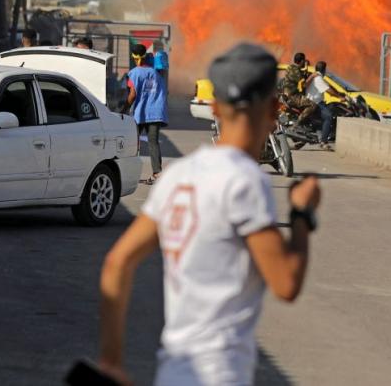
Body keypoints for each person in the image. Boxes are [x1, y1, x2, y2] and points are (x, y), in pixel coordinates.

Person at [98, 43, 321, 386]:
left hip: (172, 372)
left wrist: (111, 361)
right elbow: (286, 283)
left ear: (215, 107)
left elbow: (117, 264)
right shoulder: (246, 182)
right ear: (274, 110)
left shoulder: (178, 176)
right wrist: (303, 214)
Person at [127, 44, 168, 184]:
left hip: (140, 113)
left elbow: (132, 95)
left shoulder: (134, 73)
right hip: (156, 113)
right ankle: (157, 174)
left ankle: (127, 173)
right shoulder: (156, 72)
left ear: (133, 57)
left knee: (131, 142)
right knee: (153, 143)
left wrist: (124, 108)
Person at [305, 61, 343, 150]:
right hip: (315, 103)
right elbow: (328, 90)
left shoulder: (317, 77)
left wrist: (339, 92)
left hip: (315, 102)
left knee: (329, 109)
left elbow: (328, 86)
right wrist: (339, 97)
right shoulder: (318, 78)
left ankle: (319, 132)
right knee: (329, 117)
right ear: (324, 69)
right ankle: (323, 141)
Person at [281, 52, 314, 125]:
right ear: (302, 61)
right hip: (292, 96)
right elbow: (304, 83)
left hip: (289, 95)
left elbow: (302, 75)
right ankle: (298, 123)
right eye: (304, 61)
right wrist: (313, 76)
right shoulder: (295, 70)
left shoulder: (291, 67)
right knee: (312, 105)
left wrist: (306, 69)